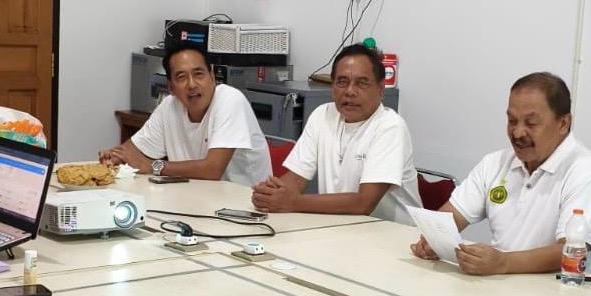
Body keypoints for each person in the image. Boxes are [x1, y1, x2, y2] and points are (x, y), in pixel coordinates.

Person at [411, 72, 591, 277]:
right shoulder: (496, 163)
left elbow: (571, 250)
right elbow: (451, 217)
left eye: (531, 123)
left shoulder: (585, 170)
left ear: (563, 123)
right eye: (512, 121)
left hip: (577, 289)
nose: (517, 133)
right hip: (508, 283)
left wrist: (503, 262)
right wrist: (434, 239)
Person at [251, 43, 421, 223]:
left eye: (362, 83)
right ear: (332, 86)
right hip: (339, 226)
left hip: (393, 233)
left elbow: (364, 203)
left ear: (380, 89)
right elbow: (295, 180)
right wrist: (270, 195)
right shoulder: (322, 115)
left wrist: (293, 202)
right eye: (342, 82)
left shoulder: (390, 126)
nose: (350, 91)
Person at [99, 43, 272, 186]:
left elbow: (212, 170)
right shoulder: (169, 106)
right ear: (171, 87)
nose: (192, 84)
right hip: (193, 198)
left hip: (243, 206)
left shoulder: (230, 99)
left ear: (212, 77)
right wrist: (115, 156)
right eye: (181, 77)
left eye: (199, 74)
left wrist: (154, 166)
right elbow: (131, 152)